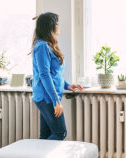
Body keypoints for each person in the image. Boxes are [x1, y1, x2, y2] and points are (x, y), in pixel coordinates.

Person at [31, 12, 83, 140]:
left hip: (48, 97)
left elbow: (55, 73)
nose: (59, 26)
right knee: (60, 133)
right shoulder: (42, 46)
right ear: (51, 26)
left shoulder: (49, 45)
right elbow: (44, 75)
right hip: (46, 97)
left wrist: (67, 85)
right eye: (57, 23)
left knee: (46, 135)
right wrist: (56, 101)